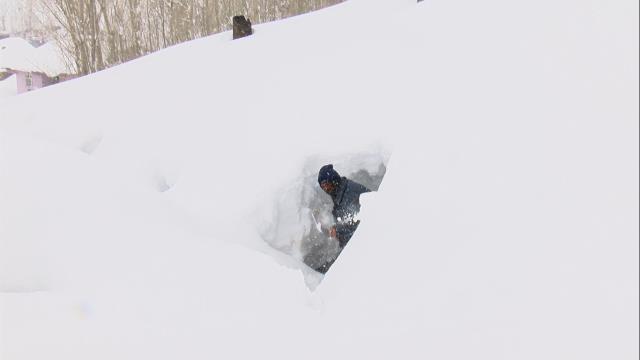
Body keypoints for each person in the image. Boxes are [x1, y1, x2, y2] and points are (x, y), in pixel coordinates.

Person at [317, 164, 371, 249]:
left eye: (326, 184)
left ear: (333, 180)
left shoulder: (349, 194)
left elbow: (359, 226)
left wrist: (337, 231)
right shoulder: (339, 193)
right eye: (323, 187)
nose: (326, 189)